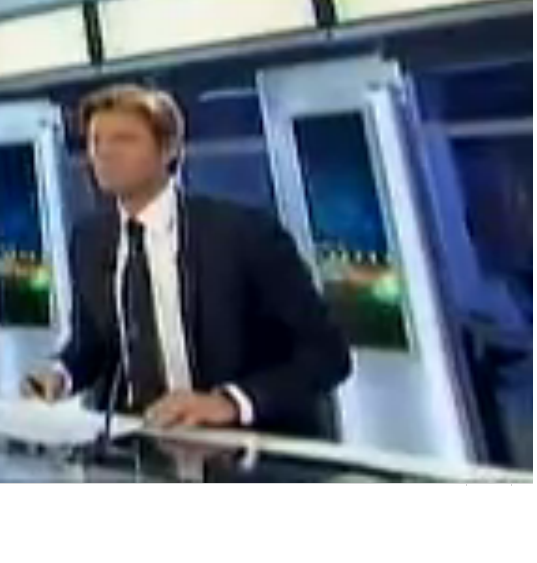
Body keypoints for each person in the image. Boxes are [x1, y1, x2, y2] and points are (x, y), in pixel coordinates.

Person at [22, 83, 351, 439]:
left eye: (124, 139)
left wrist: (228, 402)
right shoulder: (90, 239)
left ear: (169, 149)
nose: (104, 152)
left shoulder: (243, 233)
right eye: (95, 140)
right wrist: (61, 375)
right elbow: (91, 347)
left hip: (245, 449)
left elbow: (327, 354)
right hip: (137, 447)